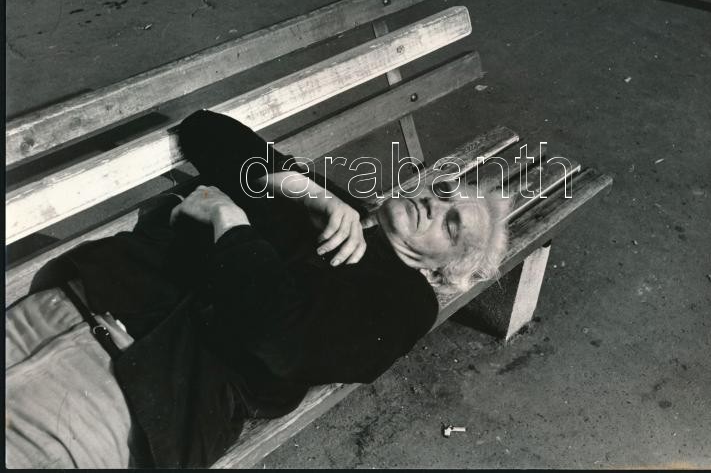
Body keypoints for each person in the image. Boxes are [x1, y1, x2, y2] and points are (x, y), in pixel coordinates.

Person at [5, 110, 511, 468]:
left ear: (445, 271)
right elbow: (205, 129)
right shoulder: (332, 203)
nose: (434, 205)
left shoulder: (403, 303)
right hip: (63, 306)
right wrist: (306, 190)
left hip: (120, 393)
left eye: (451, 226)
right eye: (443, 193)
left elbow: (278, 332)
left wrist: (231, 221)